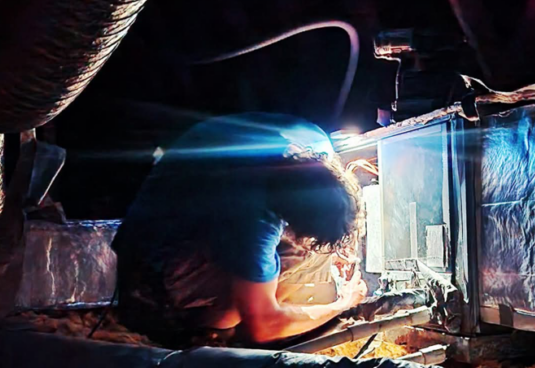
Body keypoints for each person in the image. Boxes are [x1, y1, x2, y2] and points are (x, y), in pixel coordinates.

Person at [112, 112, 367, 347]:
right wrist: (343, 304)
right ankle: (204, 333)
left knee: (285, 258)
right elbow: (263, 326)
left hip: (165, 218)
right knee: (298, 258)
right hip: (146, 276)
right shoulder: (253, 223)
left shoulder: (314, 144)